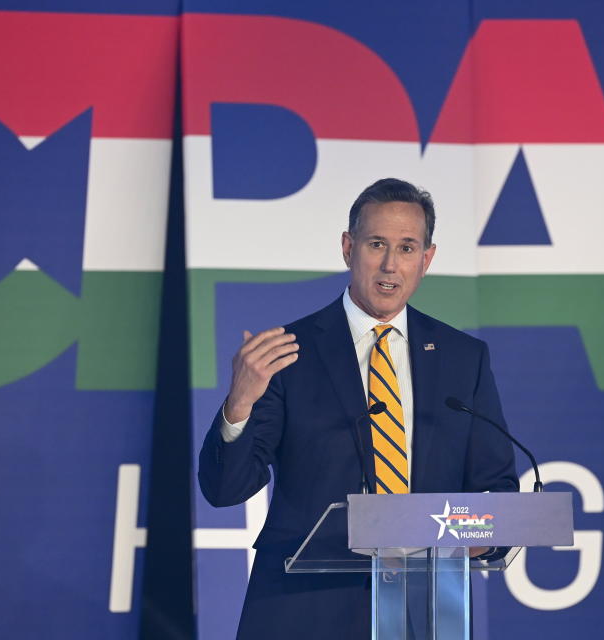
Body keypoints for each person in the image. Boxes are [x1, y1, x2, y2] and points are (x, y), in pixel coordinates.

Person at [198, 178, 518, 638]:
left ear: (427, 259)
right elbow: (225, 489)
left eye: (407, 248)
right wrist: (240, 402)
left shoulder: (463, 359)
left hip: (422, 611)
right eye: (376, 244)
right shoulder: (289, 353)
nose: (391, 264)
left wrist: (480, 539)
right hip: (303, 610)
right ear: (348, 248)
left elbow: (496, 489)